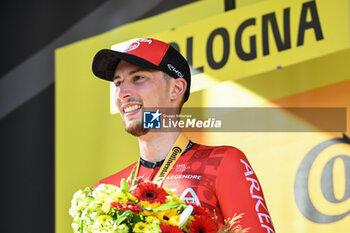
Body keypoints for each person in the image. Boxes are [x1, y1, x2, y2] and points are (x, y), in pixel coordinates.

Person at [91, 38, 275, 232]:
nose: (122, 93)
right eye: (118, 83)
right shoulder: (105, 191)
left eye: (138, 78)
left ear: (176, 89)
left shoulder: (223, 163)